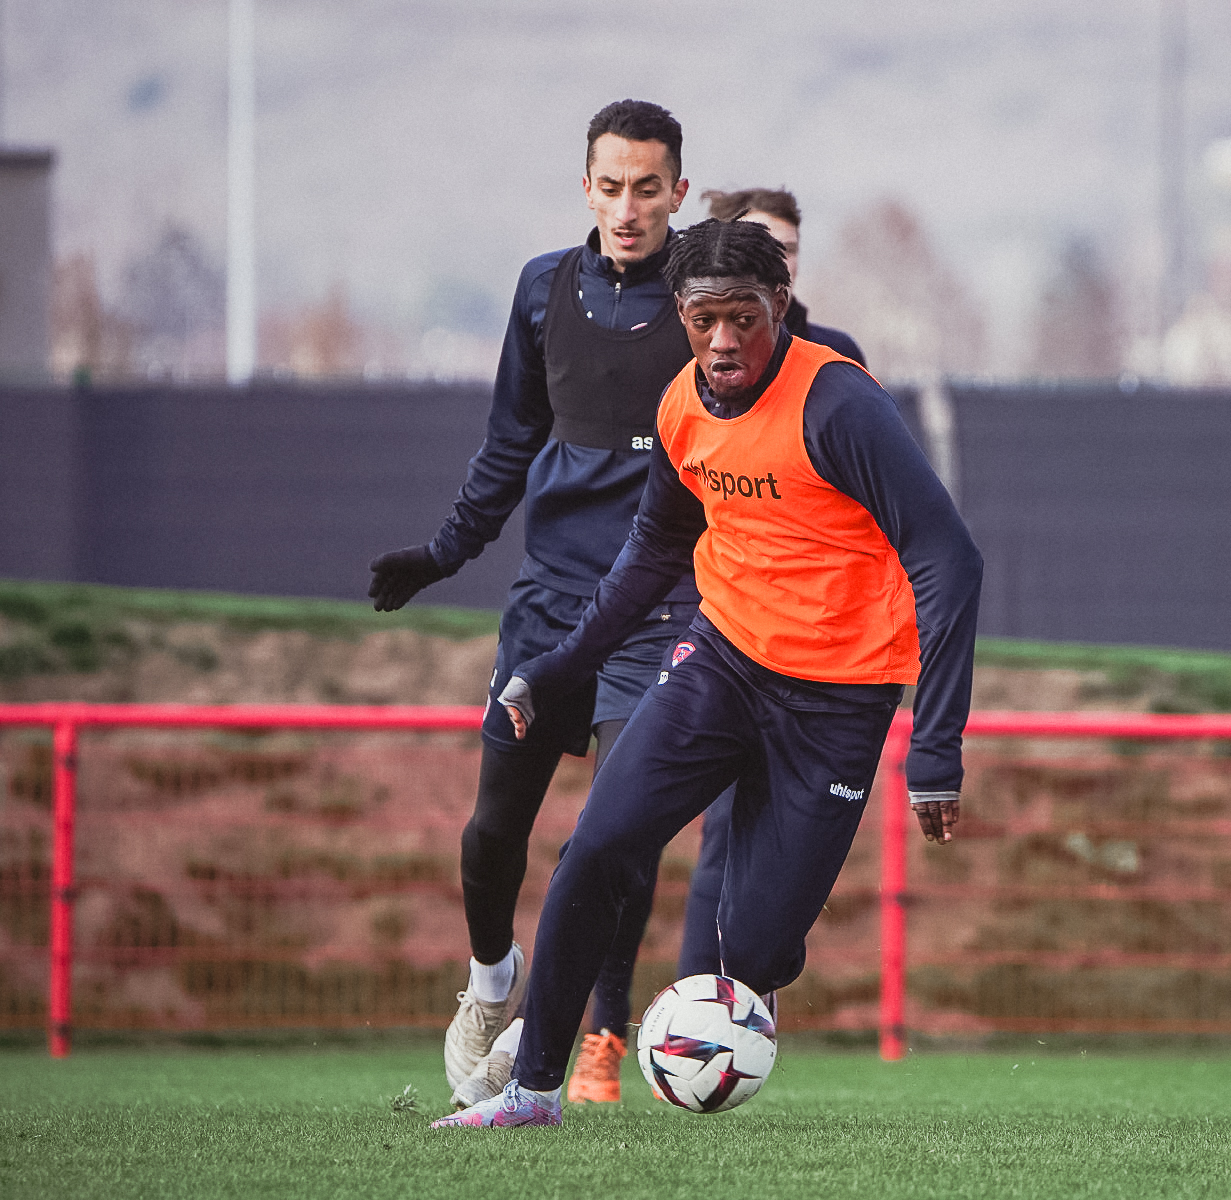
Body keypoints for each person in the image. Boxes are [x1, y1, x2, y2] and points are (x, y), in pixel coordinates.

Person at [432, 217, 981, 1129]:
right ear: (681, 316)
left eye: (745, 318)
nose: (723, 341)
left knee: (756, 947)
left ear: (779, 310)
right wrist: (562, 665)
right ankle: (530, 1093)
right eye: (703, 320)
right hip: (720, 664)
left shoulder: (837, 407)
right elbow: (651, 554)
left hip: (840, 700)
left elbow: (949, 560)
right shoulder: (682, 406)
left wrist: (936, 749)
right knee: (596, 849)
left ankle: (727, 1001)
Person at [366, 99, 697, 1110]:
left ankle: (562, 1037)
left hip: (660, 605)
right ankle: (490, 979)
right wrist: (444, 552)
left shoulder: (706, 293)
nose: (629, 206)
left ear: (679, 191)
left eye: (649, 188)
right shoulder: (542, 288)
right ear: (585, 186)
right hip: (549, 603)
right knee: (492, 830)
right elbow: (510, 440)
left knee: (615, 831)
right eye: (611, 186)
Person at [676, 186, 867, 980]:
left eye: (787, 244)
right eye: (760, 239)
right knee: (712, 835)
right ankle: (670, 1022)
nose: (775, 251)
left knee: (775, 864)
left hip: (821, 655)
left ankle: (748, 991)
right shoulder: (698, 361)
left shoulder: (834, 364)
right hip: (726, 631)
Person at [700, 186, 865, 366]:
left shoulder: (838, 352)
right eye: (760, 247)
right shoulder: (692, 350)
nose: (778, 261)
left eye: (788, 249)